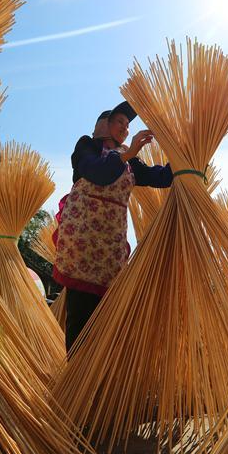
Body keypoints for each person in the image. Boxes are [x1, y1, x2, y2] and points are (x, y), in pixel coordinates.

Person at [53, 101, 172, 352]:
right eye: (120, 122)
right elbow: (99, 173)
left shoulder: (128, 161)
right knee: (81, 312)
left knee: (103, 315)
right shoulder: (87, 147)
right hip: (82, 242)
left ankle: (94, 375)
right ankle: (76, 376)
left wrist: (183, 157)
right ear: (102, 126)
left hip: (110, 246)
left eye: (128, 125)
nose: (126, 128)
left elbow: (158, 177)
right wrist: (127, 154)